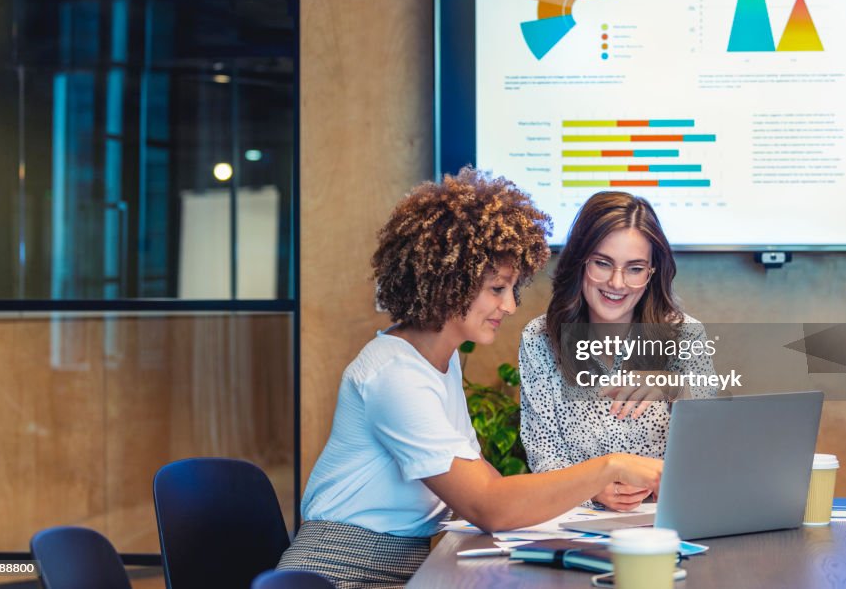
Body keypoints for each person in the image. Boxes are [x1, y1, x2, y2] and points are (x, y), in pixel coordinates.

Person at [277, 170, 663, 588]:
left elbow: (488, 485)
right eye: (497, 289)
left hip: (405, 563)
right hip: (340, 570)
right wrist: (610, 467)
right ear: (449, 284)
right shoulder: (394, 376)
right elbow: (487, 505)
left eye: (512, 289)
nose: (510, 306)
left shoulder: (438, 361)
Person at [519, 191, 716, 513]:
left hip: (666, 516)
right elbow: (544, 451)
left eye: (635, 268)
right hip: (576, 520)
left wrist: (673, 387)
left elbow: (709, 440)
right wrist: (592, 490)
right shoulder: (540, 338)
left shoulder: (683, 333)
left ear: (652, 273)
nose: (617, 283)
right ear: (580, 262)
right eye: (602, 263)